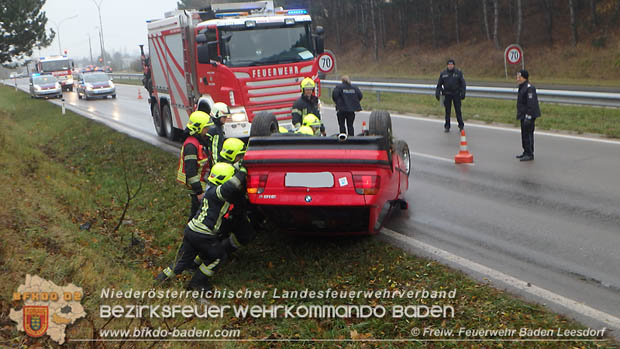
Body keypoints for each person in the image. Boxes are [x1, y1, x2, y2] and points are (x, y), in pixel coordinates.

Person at [162, 162, 248, 291]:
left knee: (182, 261)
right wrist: (244, 170)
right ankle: (196, 283)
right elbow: (232, 185)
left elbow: (228, 174)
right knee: (219, 256)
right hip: (204, 235)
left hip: (191, 230)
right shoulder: (218, 193)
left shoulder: (210, 189)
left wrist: (239, 163)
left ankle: (160, 280)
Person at [176, 111, 213, 221]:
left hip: (202, 184)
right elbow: (191, 171)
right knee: (197, 214)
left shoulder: (199, 141)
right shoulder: (191, 146)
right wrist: (199, 192)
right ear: (198, 128)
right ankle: (190, 234)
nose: (207, 130)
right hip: (198, 187)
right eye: (206, 128)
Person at [515, 69, 540, 161]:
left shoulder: (529, 88)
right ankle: (525, 151)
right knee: (524, 134)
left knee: (528, 134)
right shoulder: (522, 87)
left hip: (528, 115)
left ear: (524, 77)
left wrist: (528, 116)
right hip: (523, 114)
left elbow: (531, 103)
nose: (517, 79)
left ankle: (529, 153)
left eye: (519, 77)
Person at [435, 59, 466, 132]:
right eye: (449, 65)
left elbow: (463, 84)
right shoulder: (443, 73)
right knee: (447, 111)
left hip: (456, 94)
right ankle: (447, 126)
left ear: (454, 65)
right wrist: (437, 93)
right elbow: (439, 85)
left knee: (458, 110)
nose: (450, 66)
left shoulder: (458, 73)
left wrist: (463, 93)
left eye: (451, 65)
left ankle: (461, 126)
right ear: (447, 65)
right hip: (447, 94)